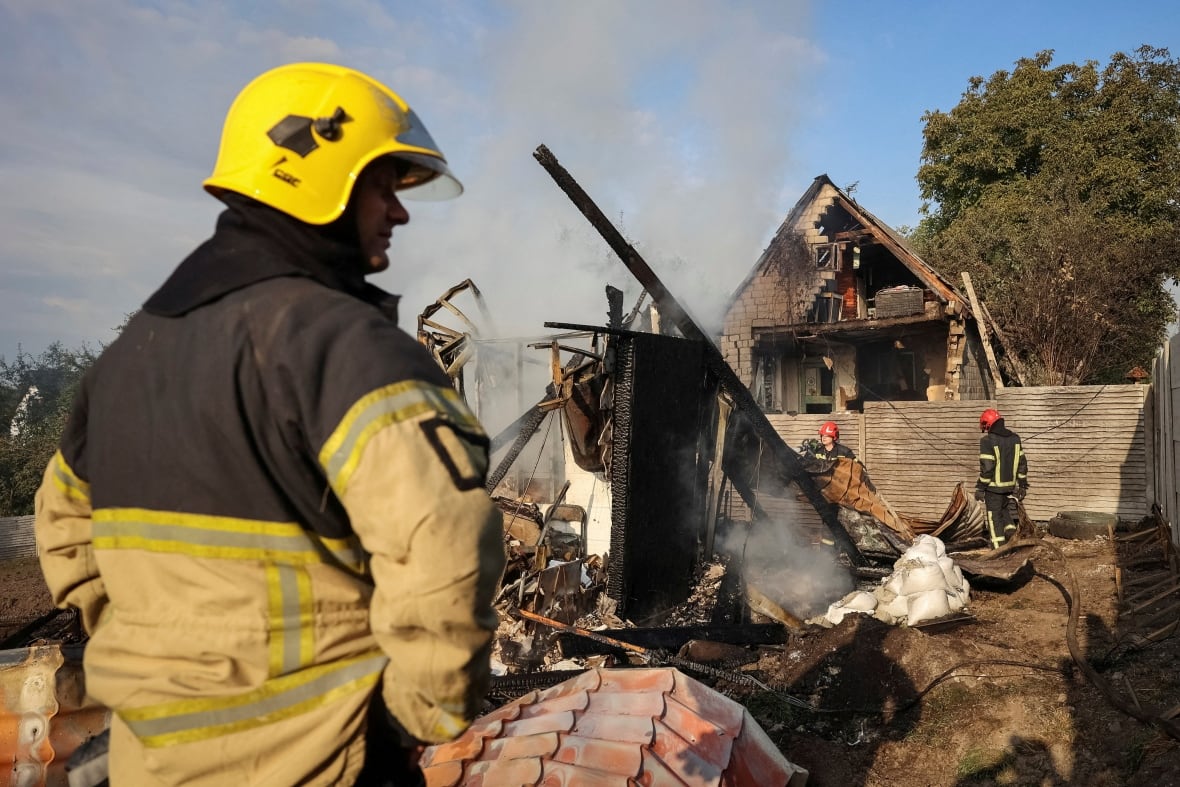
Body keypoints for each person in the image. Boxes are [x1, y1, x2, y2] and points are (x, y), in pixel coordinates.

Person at [34, 62, 506, 786]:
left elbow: (65, 531)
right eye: (382, 184)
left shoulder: (128, 358)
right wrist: (412, 717)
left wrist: (157, 657)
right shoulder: (347, 349)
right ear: (316, 176)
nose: (400, 211)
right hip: (320, 765)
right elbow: (448, 544)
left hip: (149, 760)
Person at [975, 407, 1029, 549]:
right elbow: (1022, 463)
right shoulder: (1015, 439)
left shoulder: (987, 441)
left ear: (987, 425)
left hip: (993, 489)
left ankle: (999, 550)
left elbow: (987, 468)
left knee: (994, 520)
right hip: (1009, 488)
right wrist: (1022, 485)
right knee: (1005, 515)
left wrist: (980, 487)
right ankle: (1012, 541)